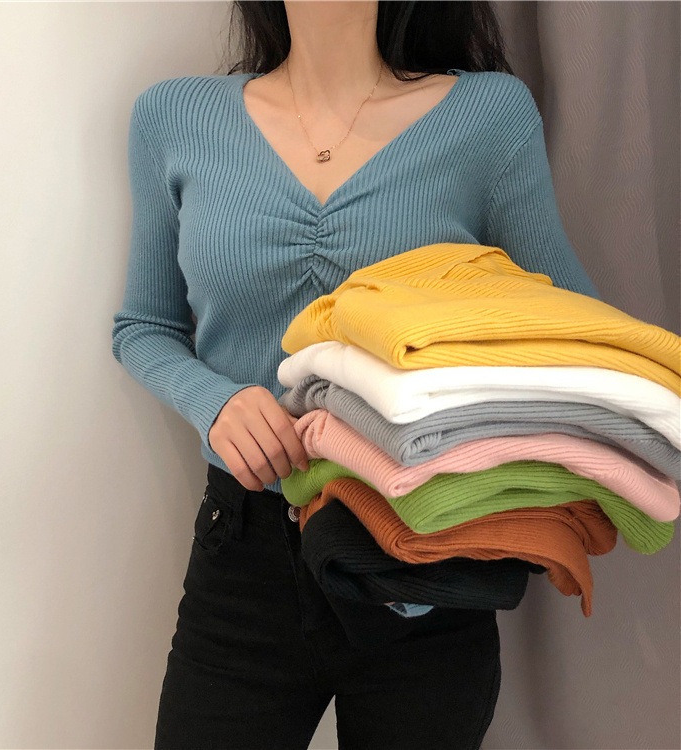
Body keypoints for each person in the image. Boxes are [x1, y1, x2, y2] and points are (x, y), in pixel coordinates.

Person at [111, 2, 600, 748]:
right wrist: (216, 401)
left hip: (424, 554)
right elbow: (145, 325)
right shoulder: (174, 117)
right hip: (245, 560)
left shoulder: (488, 117)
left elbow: (572, 332)